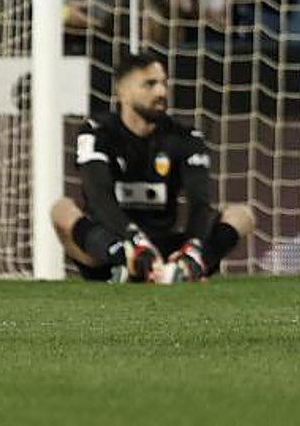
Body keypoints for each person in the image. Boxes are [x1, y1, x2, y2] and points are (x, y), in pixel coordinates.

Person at [50, 53, 254, 283]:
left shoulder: (185, 136)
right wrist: (134, 242)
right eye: (150, 84)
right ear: (123, 92)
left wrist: (194, 245)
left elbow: (200, 202)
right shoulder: (97, 131)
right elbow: (98, 195)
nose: (161, 92)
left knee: (242, 215)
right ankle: (126, 264)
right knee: (61, 210)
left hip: (166, 247)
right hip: (112, 245)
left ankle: (190, 266)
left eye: (163, 83)